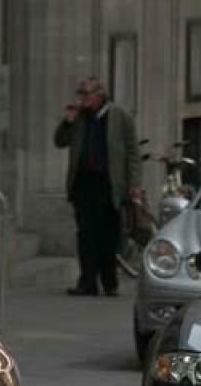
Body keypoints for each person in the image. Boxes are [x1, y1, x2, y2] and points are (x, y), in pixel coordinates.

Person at [53, 77, 142, 297]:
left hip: (109, 182)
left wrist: (134, 183)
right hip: (83, 182)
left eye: (87, 94)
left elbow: (132, 152)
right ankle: (87, 282)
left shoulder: (119, 117)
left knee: (108, 235)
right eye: (80, 94)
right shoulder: (79, 118)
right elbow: (60, 141)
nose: (83, 99)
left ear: (100, 95)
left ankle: (109, 282)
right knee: (86, 234)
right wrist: (67, 121)